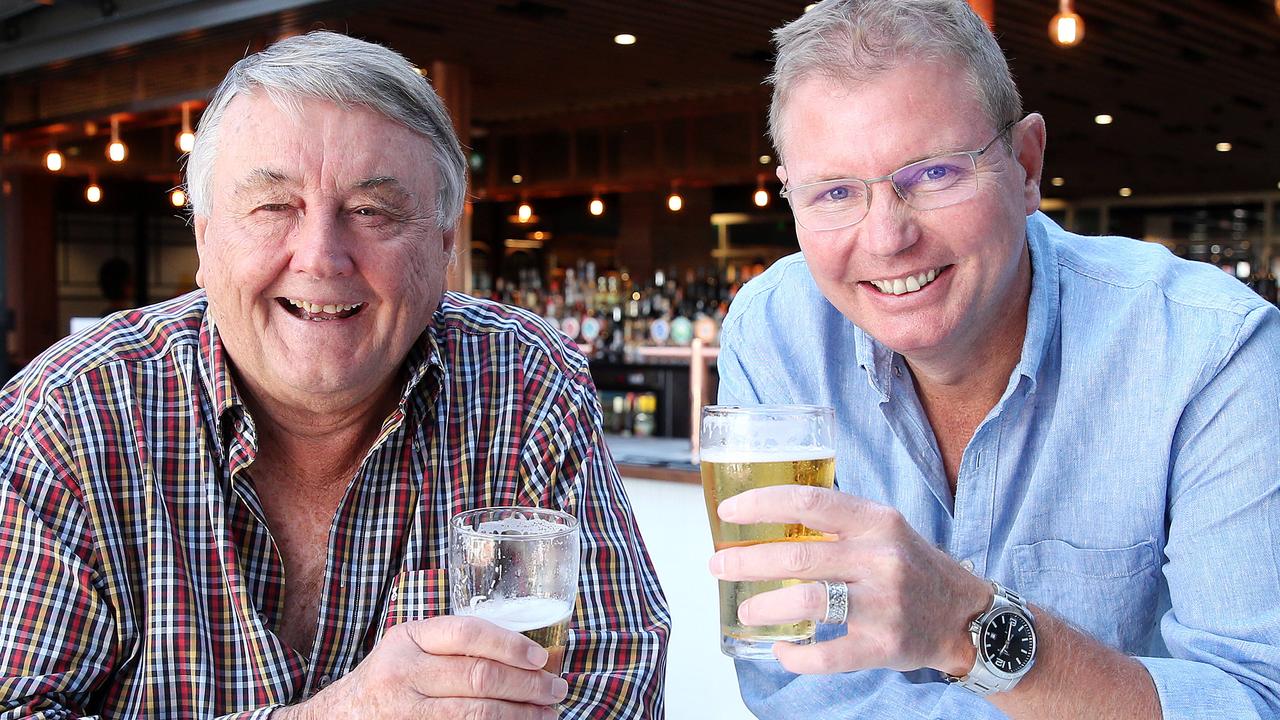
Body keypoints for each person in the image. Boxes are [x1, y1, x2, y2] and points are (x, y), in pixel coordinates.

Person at [0, 31, 668, 719]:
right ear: (204, 238)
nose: (320, 258)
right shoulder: (74, 413)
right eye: (273, 207)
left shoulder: (525, 384)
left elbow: (615, 686)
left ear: (444, 245)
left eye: (370, 211)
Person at [709, 1, 1280, 718]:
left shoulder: (1211, 352)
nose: (887, 239)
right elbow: (788, 670)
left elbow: (1253, 700)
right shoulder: (775, 330)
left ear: (1027, 163)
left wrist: (967, 627)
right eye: (834, 193)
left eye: (935, 172)